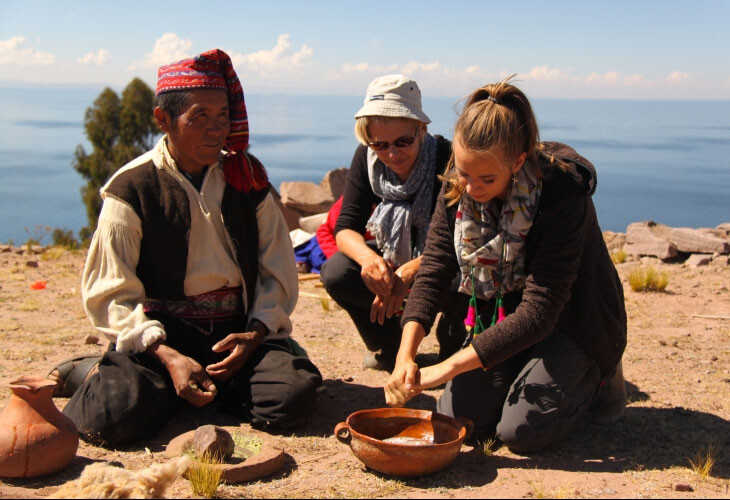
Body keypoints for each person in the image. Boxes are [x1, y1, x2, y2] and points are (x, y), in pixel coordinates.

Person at [48, 49, 322, 447]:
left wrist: (257, 333)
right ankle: (94, 372)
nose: (217, 130)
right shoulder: (132, 189)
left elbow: (275, 272)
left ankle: (190, 389)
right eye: (200, 117)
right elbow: (111, 292)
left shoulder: (246, 179)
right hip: (161, 338)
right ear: (163, 119)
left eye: (223, 115)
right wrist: (167, 356)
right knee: (109, 419)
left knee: (294, 397)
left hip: (237, 334)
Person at [384, 78, 627, 453]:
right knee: (458, 418)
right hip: (502, 319)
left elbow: (540, 311)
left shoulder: (561, 195)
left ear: (518, 161)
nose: (469, 188)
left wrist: (446, 367)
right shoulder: (458, 186)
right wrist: (407, 355)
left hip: (573, 324)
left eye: (486, 179)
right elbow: (435, 268)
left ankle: (598, 379)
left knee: (521, 431)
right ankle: (524, 370)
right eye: (463, 173)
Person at [320, 74, 465, 371]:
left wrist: (415, 268)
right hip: (395, 255)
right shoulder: (367, 159)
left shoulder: (448, 159)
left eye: (403, 142)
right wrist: (368, 261)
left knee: (459, 280)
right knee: (337, 272)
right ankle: (390, 343)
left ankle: (453, 347)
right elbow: (346, 226)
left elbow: (464, 239)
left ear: (421, 129)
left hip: (445, 260)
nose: (391, 154)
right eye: (380, 144)